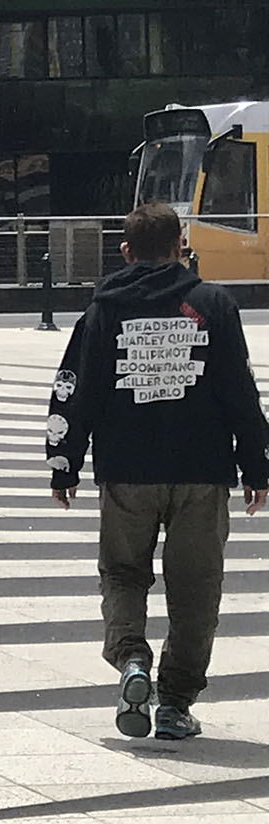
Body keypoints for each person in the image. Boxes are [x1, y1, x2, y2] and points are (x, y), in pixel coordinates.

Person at [47, 201, 269, 741]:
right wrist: (257, 467)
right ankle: (174, 703)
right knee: (195, 590)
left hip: (127, 472)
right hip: (201, 472)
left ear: (125, 251)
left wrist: (64, 464)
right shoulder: (214, 305)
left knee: (123, 574)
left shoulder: (103, 309)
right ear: (180, 248)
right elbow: (239, 390)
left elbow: (75, 388)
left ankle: (131, 662)